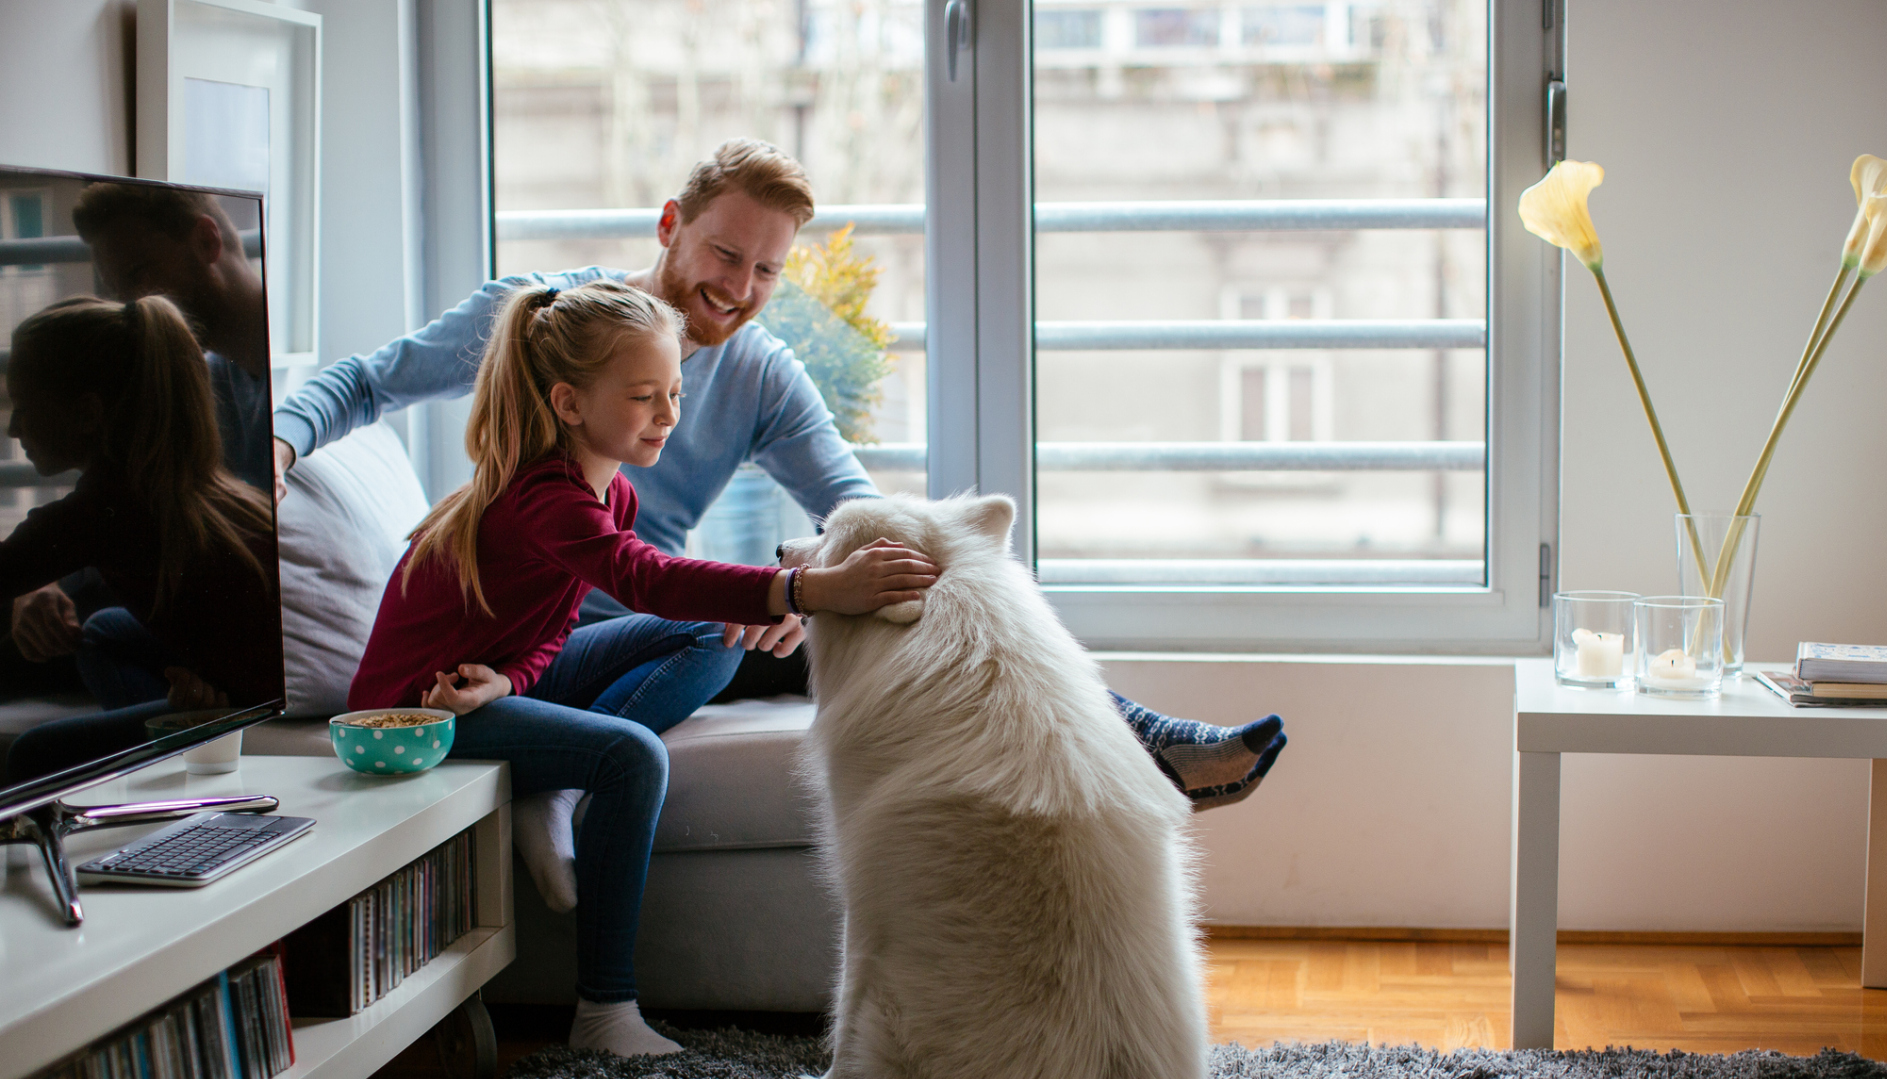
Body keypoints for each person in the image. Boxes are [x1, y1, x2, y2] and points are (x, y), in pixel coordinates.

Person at [272, 139, 1285, 851]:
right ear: (669, 227)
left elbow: (850, 507)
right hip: (551, 632)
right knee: (748, 624)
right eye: (722, 253)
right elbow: (368, 379)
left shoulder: (760, 372)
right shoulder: (549, 323)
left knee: (905, 598)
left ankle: (1137, 742)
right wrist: (280, 439)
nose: (738, 287)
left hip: (675, 621)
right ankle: (571, 787)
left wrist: (805, 583)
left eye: (765, 270)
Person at [347, 279, 936, 1055]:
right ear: (568, 404)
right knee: (630, 756)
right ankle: (603, 1012)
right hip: (416, 713)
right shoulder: (543, 499)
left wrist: (515, 683)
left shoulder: (611, 491)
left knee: (714, 631)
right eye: (643, 396)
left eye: (675, 392)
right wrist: (810, 589)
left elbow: (550, 633)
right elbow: (645, 577)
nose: (669, 415)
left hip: (480, 686)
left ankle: (553, 777)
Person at [0, 295, 281, 779]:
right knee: (103, 629)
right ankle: (173, 720)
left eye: (24, 409)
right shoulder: (183, 485)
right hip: (255, 675)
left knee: (33, 753)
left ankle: (176, 744)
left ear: (88, 414)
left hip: (252, 707)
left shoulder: (101, 510)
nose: (11, 428)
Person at [10, 183, 278, 681]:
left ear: (206, 242)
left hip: (272, 661)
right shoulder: (196, 393)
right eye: (118, 291)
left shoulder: (292, 405)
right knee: (101, 631)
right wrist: (41, 581)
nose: (132, 307)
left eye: (138, 275)